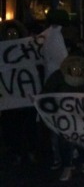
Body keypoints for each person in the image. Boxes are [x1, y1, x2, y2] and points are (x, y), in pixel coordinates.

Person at [42, 52, 84, 181]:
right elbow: (46, 92)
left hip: (81, 116)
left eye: (79, 69)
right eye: (74, 69)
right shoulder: (58, 77)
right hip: (63, 116)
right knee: (65, 140)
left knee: (81, 139)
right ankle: (67, 167)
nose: (76, 71)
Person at [0, 20, 39, 166]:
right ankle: (14, 152)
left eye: (14, 33)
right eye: (9, 33)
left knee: (29, 126)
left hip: (26, 96)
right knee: (11, 126)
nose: (11, 36)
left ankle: (31, 151)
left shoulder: (28, 49)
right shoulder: (2, 51)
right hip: (9, 98)